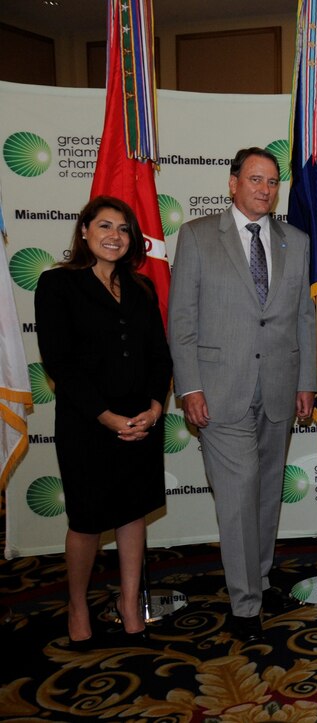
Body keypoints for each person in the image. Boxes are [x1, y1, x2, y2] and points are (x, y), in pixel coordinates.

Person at [168, 147, 316, 643]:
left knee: (267, 491)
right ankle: (245, 604)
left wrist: (306, 383)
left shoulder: (295, 240)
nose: (265, 189)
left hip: (278, 387)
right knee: (237, 495)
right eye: (255, 179)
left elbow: (302, 318)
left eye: (273, 182)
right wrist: (188, 385)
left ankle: (260, 576)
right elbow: (182, 320)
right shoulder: (196, 235)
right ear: (232, 183)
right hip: (219, 390)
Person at [35, 196, 172, 646]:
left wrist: (154, 407)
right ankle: (78, 604)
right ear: (85, 232)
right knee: (87, 520)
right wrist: (108, 417)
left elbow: (158, 354)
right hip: (87, 423)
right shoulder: (57, 285)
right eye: (105, 226)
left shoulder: (141, 288)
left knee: (133, 513)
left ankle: (130, 604)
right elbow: (60, 362)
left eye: (124, 229)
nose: (115, 236)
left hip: (141, 419)